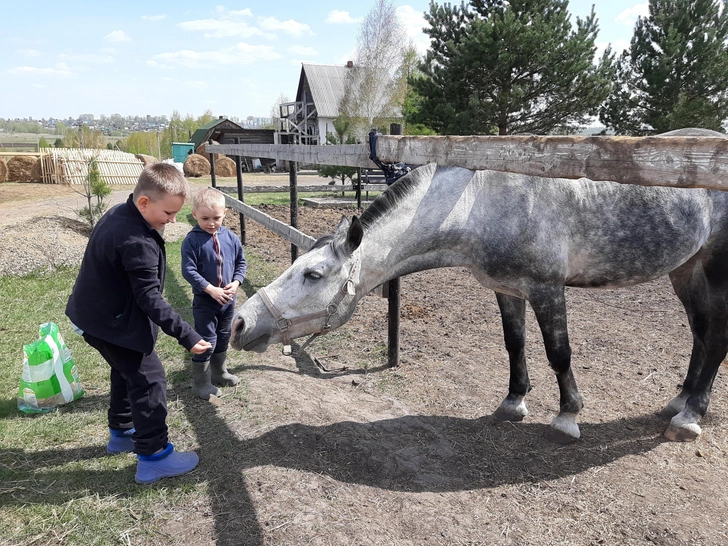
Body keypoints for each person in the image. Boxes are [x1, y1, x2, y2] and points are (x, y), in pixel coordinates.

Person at [66, 163, 212, 485]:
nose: (173, 221)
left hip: (95, 316)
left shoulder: (122, 213)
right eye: (168, 213)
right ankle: (154, 457)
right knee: (149, 379)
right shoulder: (137, 241)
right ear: (144, 202)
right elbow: (150, 299)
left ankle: (122, 432)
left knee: (126, 369)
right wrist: (187, 335)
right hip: (110, 322)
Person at [181, 188, 246, 399]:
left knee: (224, 335)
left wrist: (236, 283)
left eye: (216, 218)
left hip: (228, 300)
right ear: (194, 215)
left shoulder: (231, 238)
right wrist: (210, 289)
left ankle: (219, 372)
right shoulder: (192, 241)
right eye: (205, 218)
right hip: (205, 301)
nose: (211, 223)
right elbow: (188, 270)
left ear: (225, 213)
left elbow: (241, 264)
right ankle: (201, 383)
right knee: (206, 339)